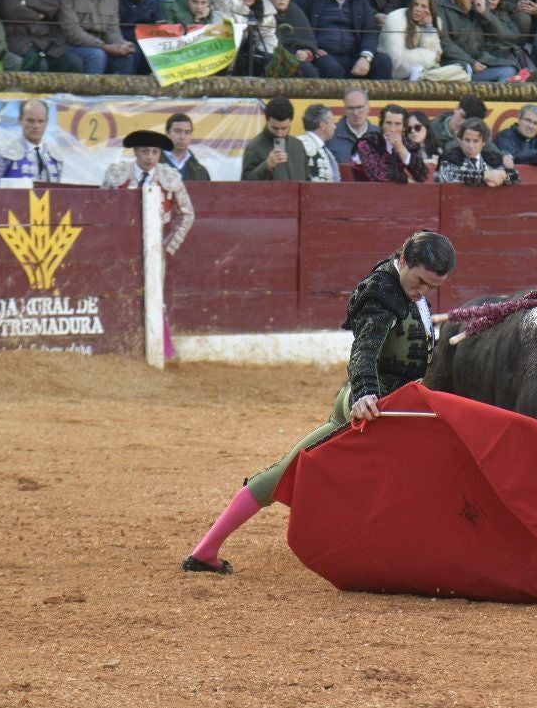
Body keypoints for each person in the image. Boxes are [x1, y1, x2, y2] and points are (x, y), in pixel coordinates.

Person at [182, 229, 457, 574]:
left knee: (306, 468)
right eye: (420, 282)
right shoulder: (382, 294)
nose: (423, 291)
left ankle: (206, 551)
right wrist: (365, 393)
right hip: (373, 407)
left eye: (432, 287)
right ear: (403, 260)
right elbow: (364, 352)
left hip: (394, 405)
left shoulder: (402, 284)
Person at [101, 128, 197, 252]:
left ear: (160, 153)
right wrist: (107, 239)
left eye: (155, 152)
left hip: (155, 244)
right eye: (145, 151)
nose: (150, 157)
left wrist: (169, 245)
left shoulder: (170, 176)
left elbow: (187, 214)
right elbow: (100, 207)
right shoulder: (116, 173)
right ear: (135, 151)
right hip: (118, 243)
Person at [57, 0, 136, 73]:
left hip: (101, 44)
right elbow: (72, 32)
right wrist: (104, 46)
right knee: (97, 55)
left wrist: (120, 44)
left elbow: (112, 29)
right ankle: (90, 91)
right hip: (70, 45)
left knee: (126, 57)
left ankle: (119, 92)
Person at [0, 98, 64, 185]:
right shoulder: (5, 151)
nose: (36, 126)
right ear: (20, 120)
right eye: (31, 121)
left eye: (40, 121)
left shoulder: (54, 154)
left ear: (46, 122)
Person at [352, 103, 427, 182]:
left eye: (397, 124)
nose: (392, 129)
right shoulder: (368, 142)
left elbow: (422, 175)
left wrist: (401, 149)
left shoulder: (408, 144)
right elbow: (377, 174)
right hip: (368, 192)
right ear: (382, 124)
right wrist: (406, 180)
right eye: (388, 123)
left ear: (404, 127)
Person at [438, 118, 520, 185]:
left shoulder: (491, 159)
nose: (471, 146)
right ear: (460, 140)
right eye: (467, 140)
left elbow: (515, 175)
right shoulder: (449, 158)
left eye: (475, 141)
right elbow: (451, 175)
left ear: (483, 143)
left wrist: (503, 176)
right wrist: (486, 175)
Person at [328, 85, 377, 163]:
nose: (356, 113)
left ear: (368, 108)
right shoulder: (330, 134)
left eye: (360, 107)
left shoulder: (380, 134)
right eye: (351, 108)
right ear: (344, 110)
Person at [298, 103, 342, 182]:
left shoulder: (303, 143)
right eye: (332, 122)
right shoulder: (302, 145)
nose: (335, 127)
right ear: (322, 125)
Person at [163, 112, 211, 180]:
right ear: (167, 134)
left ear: (191, 136)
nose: (182, 137)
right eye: (177, 131)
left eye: (187, 132)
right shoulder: (152, 164)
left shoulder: (201, 171)